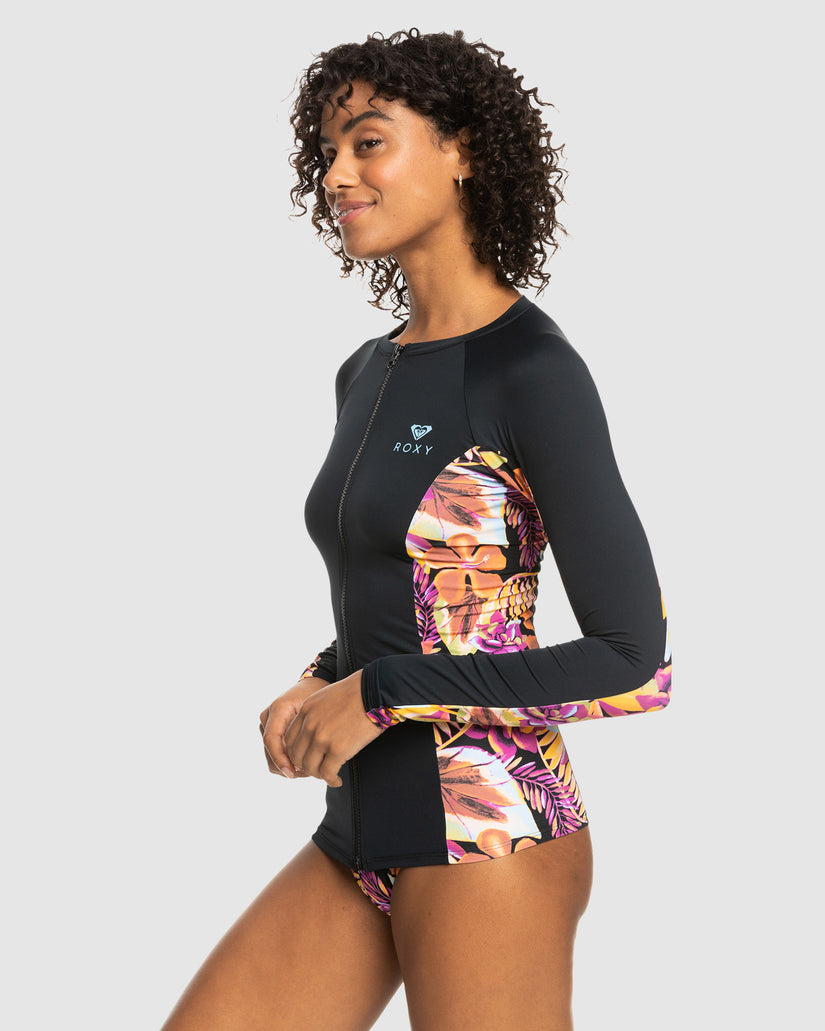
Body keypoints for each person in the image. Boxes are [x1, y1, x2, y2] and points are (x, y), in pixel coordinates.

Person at [161, 28, 672, 1031]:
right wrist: (322, 675)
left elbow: (632, 660)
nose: (335, 174)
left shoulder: (532, 372)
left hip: (488, 828)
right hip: (360, 825)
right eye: (327, 152)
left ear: (462, 148)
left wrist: (379, 690)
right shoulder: (368, 370)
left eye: (367, 142)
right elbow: (415, 595)